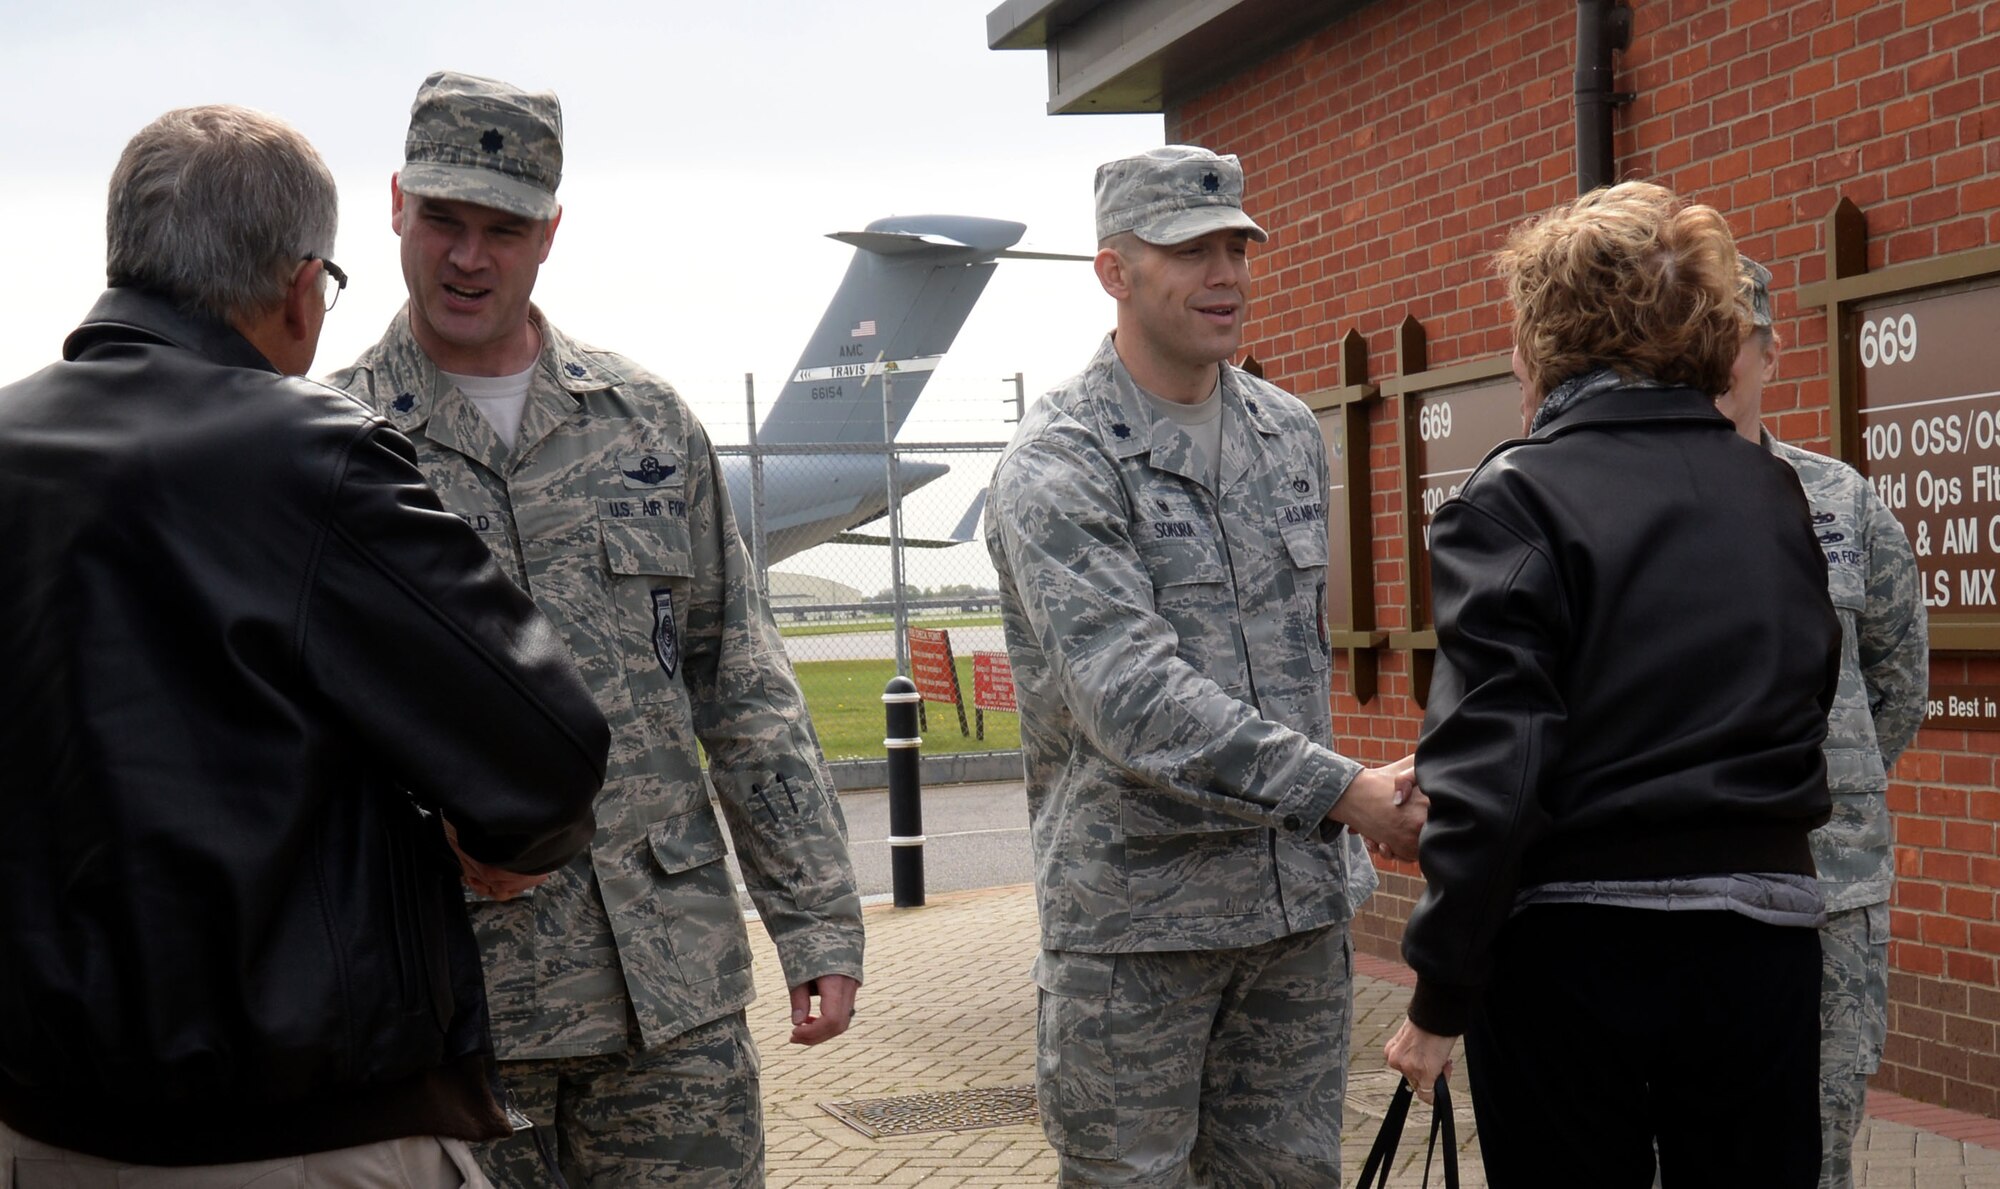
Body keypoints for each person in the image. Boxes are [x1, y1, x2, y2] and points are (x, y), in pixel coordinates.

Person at [0, 106, 609, 1185]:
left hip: (40, 1126)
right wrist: (498, 837)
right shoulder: (311, 455)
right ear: (297, 285)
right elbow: (545, 758)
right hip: (307, 1128)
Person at [332, 71, 863, 1187]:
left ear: (550, 234)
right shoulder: (332, 445)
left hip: (670, 1000)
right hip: (462, 1013)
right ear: (393, 206)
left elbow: (743, 685)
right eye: (443, 220)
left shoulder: (646, 426)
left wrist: (813, 917)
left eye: (502, 228)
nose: (467, 256)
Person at [1383, 181, 1842, 1187]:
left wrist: (1437, 996)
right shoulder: (1773, 493)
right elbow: (1806, 694)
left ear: (1546, 334)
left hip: (1570, 948)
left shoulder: (1510, 499)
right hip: (1761, 939)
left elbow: (1497, 768)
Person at [984, 144, 1424, 1187]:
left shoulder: (1285, 433)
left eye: (1235, 245)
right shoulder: (1060, 460)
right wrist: (1346, 793)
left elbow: (1292, 664)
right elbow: (1131, 698)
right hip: (1139, 931)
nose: (1222, 273)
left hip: (1292, 916)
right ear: (1113, 271)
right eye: (1187, 250)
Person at [1720, 257, 1928, 1189]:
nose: (1721, 362)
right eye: (1697, 342)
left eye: (1739, 340)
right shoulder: (1625, 501)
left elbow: (1898, 675)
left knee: (1820, 1134)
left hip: (1832, 890)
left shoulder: (1839, 498)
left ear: (1771, 349)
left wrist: (1827, 784)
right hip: (1691, 886)